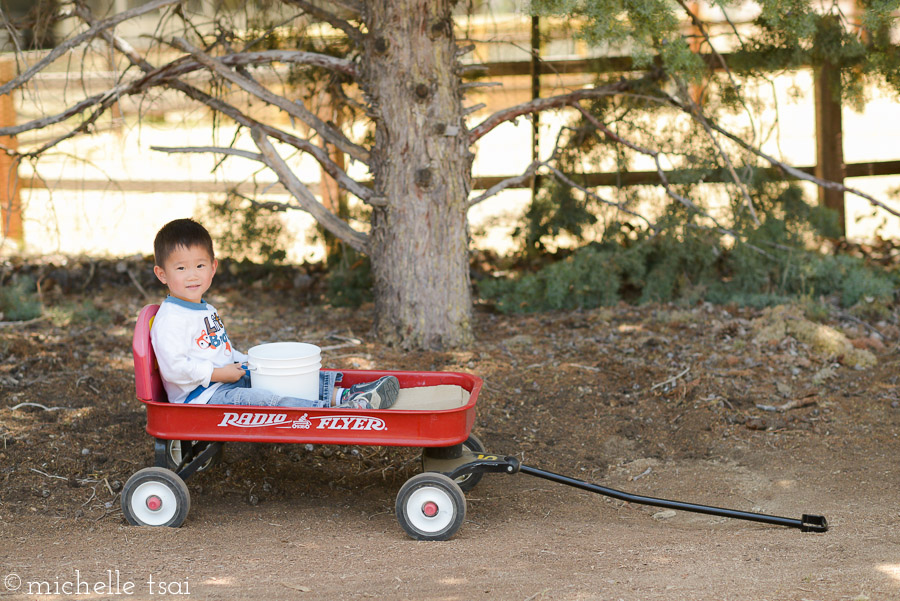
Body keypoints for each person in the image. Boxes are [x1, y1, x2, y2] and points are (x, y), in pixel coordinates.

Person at [149, 218, 398, 410]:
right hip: (201, 398)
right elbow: (174, 368)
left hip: (223, 382)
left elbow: (218, 350)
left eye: (200, 265)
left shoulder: (205, 308)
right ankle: (329, 412)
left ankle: (348, 395)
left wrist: (245, 361)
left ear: (212, 268)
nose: (192, 275)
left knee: (281, 375)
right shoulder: (171, 318)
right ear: (162, 274)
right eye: (181, 268)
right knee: (263, 398)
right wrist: (217, 374)